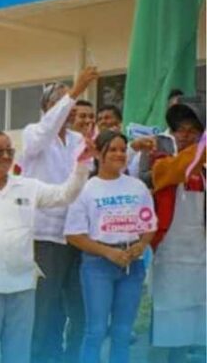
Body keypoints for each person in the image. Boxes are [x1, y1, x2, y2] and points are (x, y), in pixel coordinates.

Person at [0, 130, 92, 363]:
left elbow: (65, 195)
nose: (5, 156)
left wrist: (82, 164)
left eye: (9, 151)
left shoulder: (27, 186)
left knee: (18, 354)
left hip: (22, 287)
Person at [20, 67, 98, 363]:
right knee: (44, 310)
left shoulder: (80, 141)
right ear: (46, 108)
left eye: (71, 103)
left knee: (79, 310)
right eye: (61, 102)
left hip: (78, 236)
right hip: (45, 237)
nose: (69, 107)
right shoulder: (33, 134)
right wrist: (75, 91)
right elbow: (42, 134)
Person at [64, 130, 157, 363]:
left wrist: (141, 245)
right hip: (98, 266)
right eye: (112, 149)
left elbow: (149, 224)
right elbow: (74, 235)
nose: (119, 154)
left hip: (132, 266)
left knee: (123, 332)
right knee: (95, 331)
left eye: (122, 149)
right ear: (99, 154)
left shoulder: (137, 187)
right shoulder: (86, 188)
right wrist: (108, 252)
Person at [148, 97, 205, 363]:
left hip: (200, 257)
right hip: (170, 257)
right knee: (164, 323)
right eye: (179, 129)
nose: (185, 135)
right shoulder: (163, 164)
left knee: (191, 322)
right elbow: (183, 166)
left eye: (192, 130)